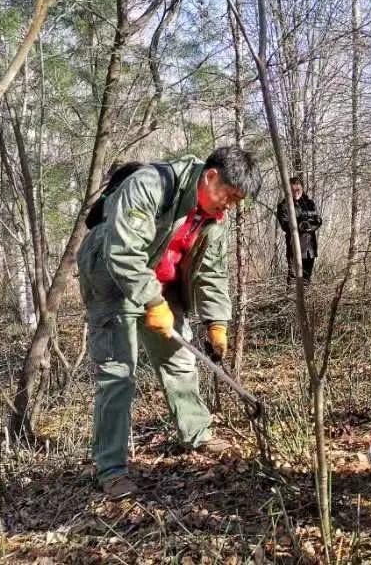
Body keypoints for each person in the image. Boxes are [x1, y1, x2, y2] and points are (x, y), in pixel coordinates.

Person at [78, 146, 262, 499]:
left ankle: (198, 434)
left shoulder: (213, 219)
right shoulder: (149, 184)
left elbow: (211, 272)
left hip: (161, 286)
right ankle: (111, 469)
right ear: (210, 177)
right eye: (231, 196)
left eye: (239, 201)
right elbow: (123, 251)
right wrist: (150, 302)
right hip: (110, 278)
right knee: (119, 374)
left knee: (180, 360)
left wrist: (217, 322)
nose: (231, 206)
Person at [276, 177, 322, 283]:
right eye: (292, 190)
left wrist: (309, 226)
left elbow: (318, 220)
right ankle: (290, 300)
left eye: (298, 190)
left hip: (309, 250)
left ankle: (305, 299)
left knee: (306, 281)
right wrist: (301, 226)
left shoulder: (309, 203)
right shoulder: (283, 206)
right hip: (294, 250)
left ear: (302, 189)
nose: (296, 193)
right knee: (293, 282)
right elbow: (285, 225)